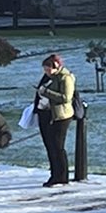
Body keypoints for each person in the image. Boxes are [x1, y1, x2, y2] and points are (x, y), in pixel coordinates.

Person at [32, 52, 75, 187]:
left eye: (48, 69)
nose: (46, 72)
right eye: (45, 69)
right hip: (45, 113)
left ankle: (62, 176)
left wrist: (46, 92)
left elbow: (66, 98)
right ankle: (54, 175)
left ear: (56, 66)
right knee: (49, 146)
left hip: (60, 116)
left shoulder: (65, 78)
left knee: (58, 146)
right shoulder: (47, 77)